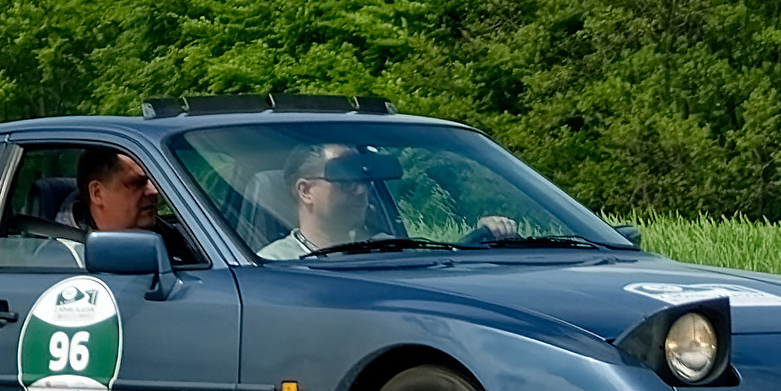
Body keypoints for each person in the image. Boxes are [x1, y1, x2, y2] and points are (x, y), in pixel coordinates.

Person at [257, 144, 520, 259]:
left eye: (365, 179)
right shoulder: (274, 265)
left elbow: (439, 270)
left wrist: (485, 234)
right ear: (305, 191)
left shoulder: (389, 250)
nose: (362, 190)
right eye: (346, 179)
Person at [56, 147, 195, 262]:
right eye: (136, 183)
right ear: (97, 193)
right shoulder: (66, 258)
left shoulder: (177, 236)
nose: (154, 191)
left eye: (154, 180)